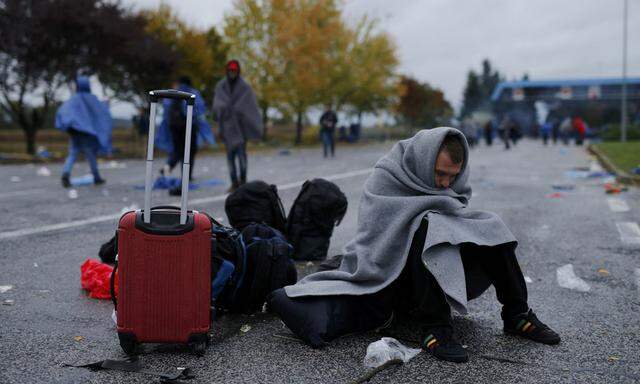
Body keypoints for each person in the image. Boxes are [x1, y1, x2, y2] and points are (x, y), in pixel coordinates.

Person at [269, 127, 560, 363]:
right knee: (428, 226)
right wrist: (431, 220)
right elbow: (376, 236)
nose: (446, 185)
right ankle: (436, 329)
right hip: (390, 273)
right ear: (424, 161)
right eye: (440, 173)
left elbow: (456, 214)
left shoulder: (448, 187)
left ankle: (517, 313)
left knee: (490, 224)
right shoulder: (388, 176)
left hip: (435, 272)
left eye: (452, 176)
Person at [212, 60, 263, 192]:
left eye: (234, 70)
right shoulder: (221, 87)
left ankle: (243, 181)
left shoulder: (245, 87)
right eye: (230, 70)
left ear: (238, 71)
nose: (232, 73)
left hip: (241, 129)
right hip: (228, 128)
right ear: (227, 71)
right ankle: (234, 183)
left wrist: (238, 110)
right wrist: (223, 109)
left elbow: (250, 107)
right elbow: (217, 104)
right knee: (230, 159)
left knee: (241, 157)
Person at [155, 76, 214, 187]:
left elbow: (166, 110)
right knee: (189, 151)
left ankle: (167, 168)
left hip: (174, 127)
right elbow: (199, 110)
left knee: (177, 150)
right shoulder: (192, 92)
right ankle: (186, 175)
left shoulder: (172, 93)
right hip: (189, 127)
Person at [55, 76, 112, 188]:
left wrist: (68, 125)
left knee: (72, 154)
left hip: (74, 132)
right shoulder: (92, 100)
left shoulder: (73, 100)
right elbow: (101, 113)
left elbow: (63, 112)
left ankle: (65, 173)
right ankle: (96, 177)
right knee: (90, 156)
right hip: (87, 134)